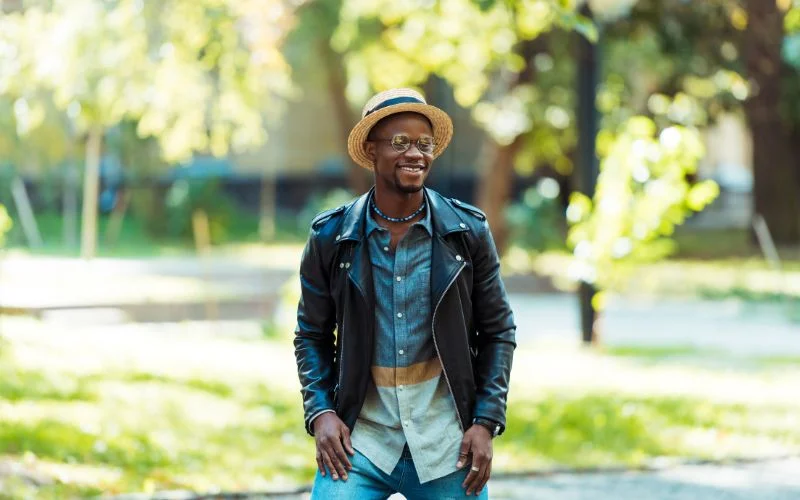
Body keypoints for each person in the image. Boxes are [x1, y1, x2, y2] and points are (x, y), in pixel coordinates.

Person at [294, 88, 516, 499]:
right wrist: (321, 412)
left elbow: (499, 331)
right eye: (400, 142)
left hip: (446, 443)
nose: (415, 153)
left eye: (424, 144)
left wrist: (485, 421)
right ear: (371, 150)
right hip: (361, 443)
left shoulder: (467, 233)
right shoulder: (331, 237)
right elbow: (311, 335)